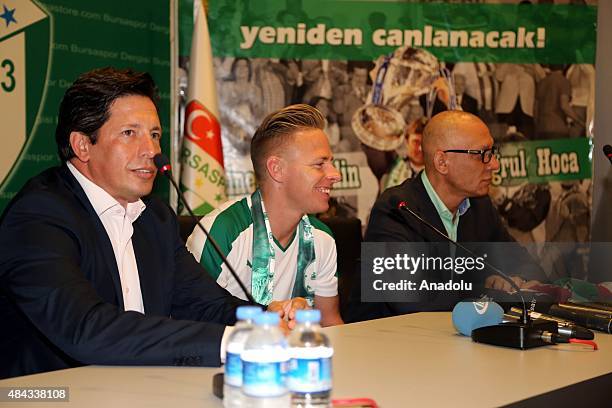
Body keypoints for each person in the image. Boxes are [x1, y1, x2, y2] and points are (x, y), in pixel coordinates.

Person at [0, 67, 296, 379]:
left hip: (138, 388)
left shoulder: (154, 217)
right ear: (83, 145)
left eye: (154, 134)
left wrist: (267, 321)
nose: (152, 151)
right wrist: (232, 342)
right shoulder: (38, 216)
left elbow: (205, 305)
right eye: (130, 133)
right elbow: (85, 329)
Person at [353, 111, 545, 320]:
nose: (494, 164)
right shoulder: (397, 209)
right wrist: (490, 291)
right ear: (442, 162)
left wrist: (518, 281)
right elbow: (410, 299)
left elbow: (527, 266)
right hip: (386, 343)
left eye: (492, 152)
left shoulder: (479, 206)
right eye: (482, 154)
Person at [187, 104, 344, 327]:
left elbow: (330, 324)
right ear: (277, 169)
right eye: (320, 164)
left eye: (331, 163)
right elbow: (190, 321)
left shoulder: (322, 238)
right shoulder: (221, 232)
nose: (335, 174)